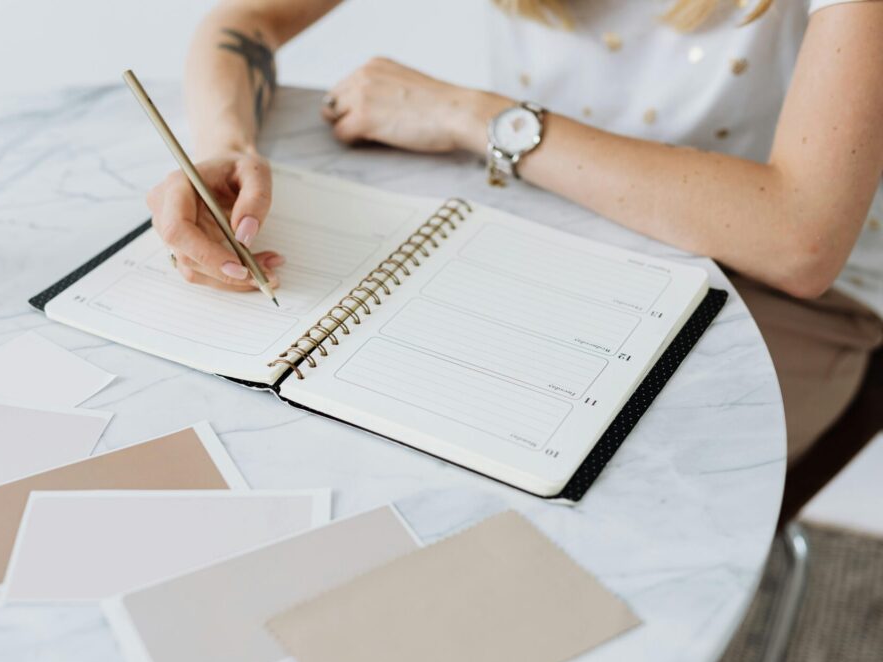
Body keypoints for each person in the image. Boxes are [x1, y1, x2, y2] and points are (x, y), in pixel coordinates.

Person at [146, 0, 883, 463]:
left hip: (792, 307)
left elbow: (800, 238)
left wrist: (472, 116)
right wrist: (227, 148)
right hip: (569, 239)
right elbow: (245, 21)